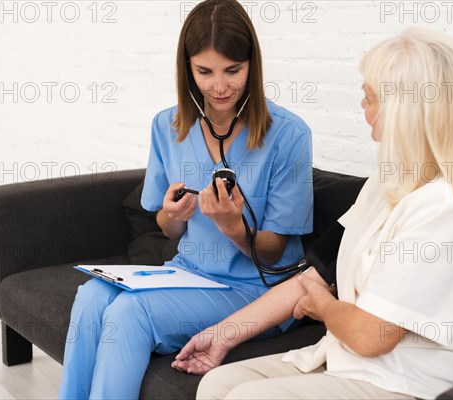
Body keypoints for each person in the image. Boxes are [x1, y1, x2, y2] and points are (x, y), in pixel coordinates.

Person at [173, 27, 453, 400]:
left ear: (403, 111)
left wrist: (325, 308)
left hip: (417, 383)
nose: (362, 107)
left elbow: (372, 336)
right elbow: (313, 276)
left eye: (369, 97)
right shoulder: (388, 183)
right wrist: (221, 335)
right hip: (353, 361)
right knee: (217, 384)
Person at [57, 0, 313, 398]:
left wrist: (233, 229)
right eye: (204, 72)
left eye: (233, 70)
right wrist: (173, 215)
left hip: (254, 291)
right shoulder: (168, 125)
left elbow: (273, 252)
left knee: (129, 313)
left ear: (252, 66)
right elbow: (166, 225)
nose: (220, 86)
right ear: (187, 68)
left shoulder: (289, 135)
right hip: (187, 272)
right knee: (91, 295)